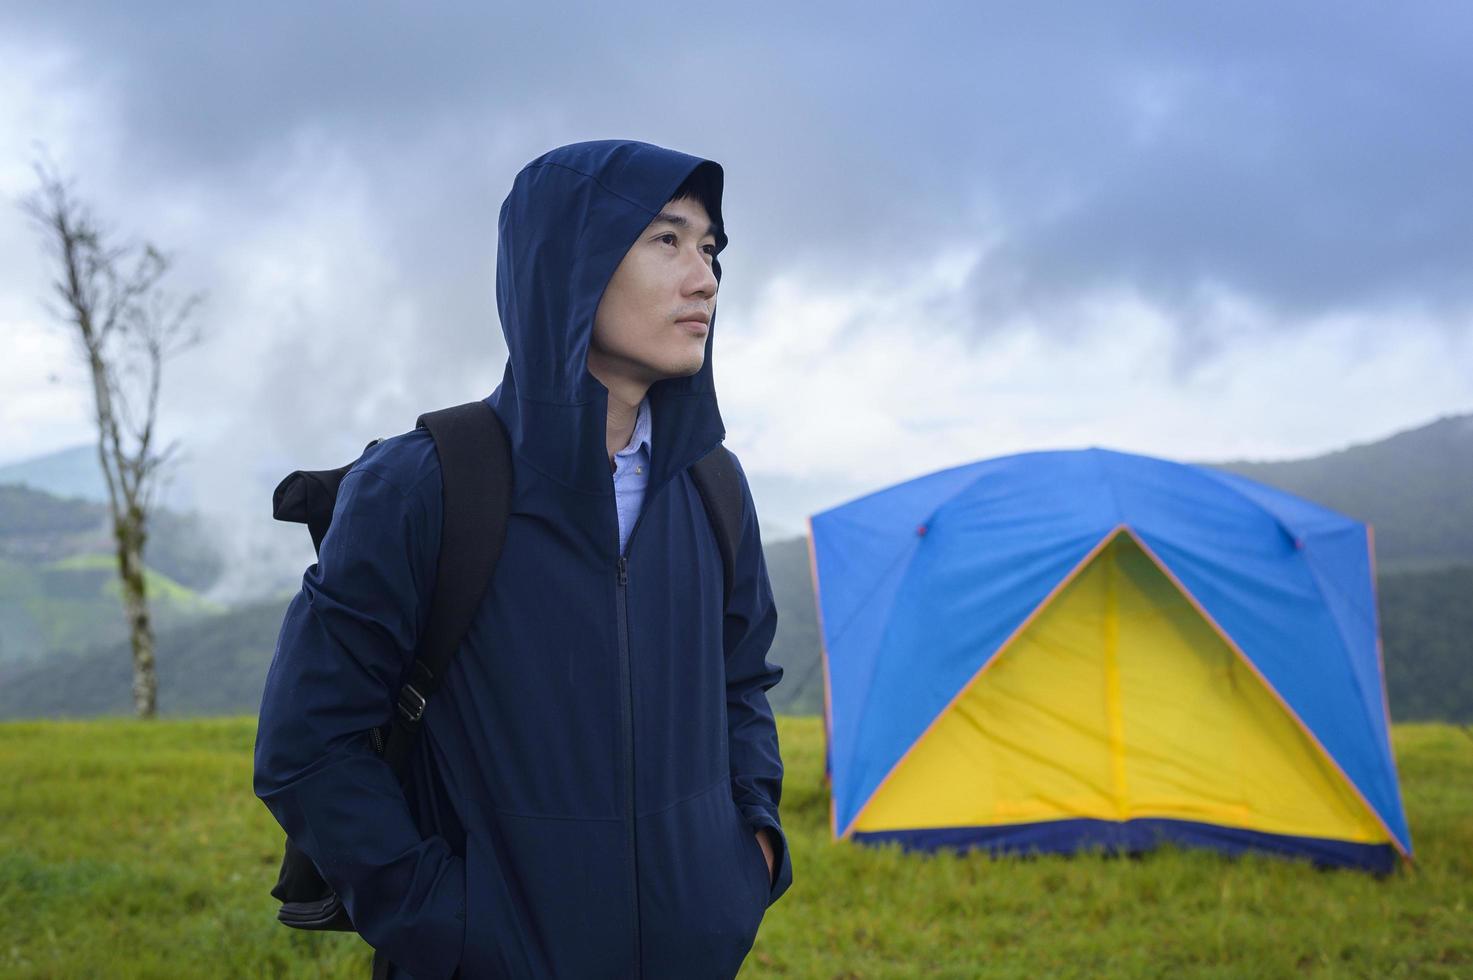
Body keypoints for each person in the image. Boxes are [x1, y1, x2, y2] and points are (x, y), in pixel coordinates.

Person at [252, 139, 792, 979]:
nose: (705, 278)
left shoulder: (711, 486)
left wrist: (746, 858)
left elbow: (740, 683)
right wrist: (448, 925)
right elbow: (306, 744)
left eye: (710, 247)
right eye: (666, 239)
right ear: (567, 263)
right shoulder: (423, 483)